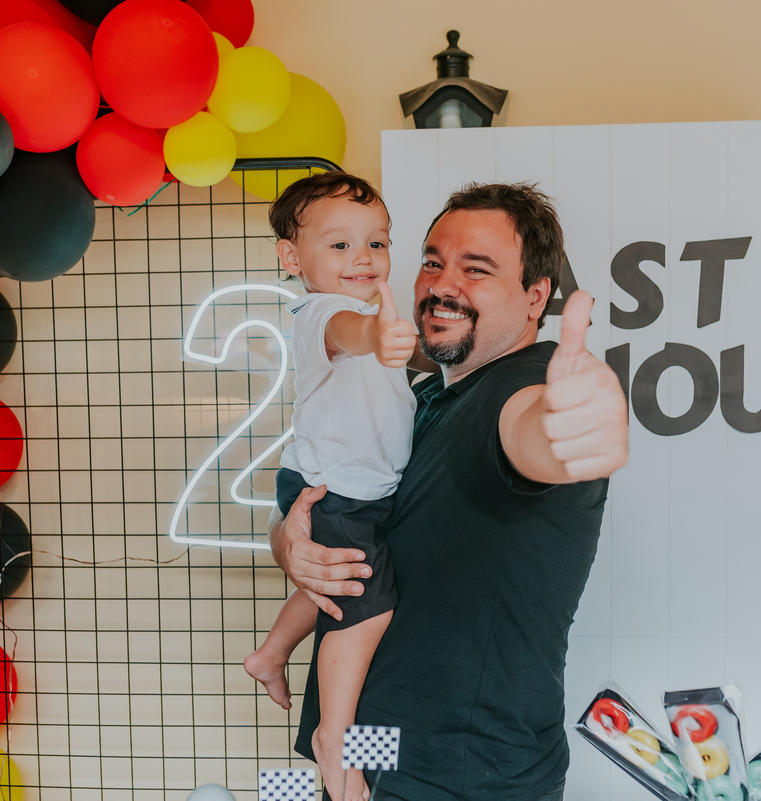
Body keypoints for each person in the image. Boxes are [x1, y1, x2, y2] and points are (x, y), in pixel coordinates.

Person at [270, 183, 629, 801]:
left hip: (465, 773)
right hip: (371, 753)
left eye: (477, 269)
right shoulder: (422, 396)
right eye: (432, 262)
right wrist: (290, 546)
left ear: (535, 297)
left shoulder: (524, 389)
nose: (441, 284)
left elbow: (533, 436)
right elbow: (354, 515)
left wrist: (571, 428)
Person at [242, 172, 421, 801]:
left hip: (349, 494)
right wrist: (377, 336)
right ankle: (331, 743)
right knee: (360, 603)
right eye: (340, 245)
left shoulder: (376, 320)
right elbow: (346, 333)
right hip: (335, 492)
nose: (364, 258)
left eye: (377, 243)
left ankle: (271, 654)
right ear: (292, 259)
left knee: (339, 591)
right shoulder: (327, 313)